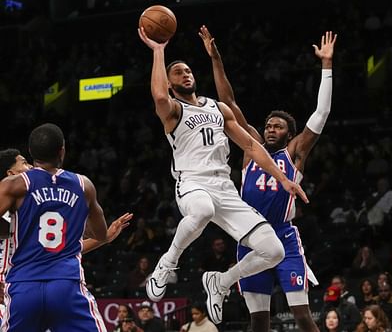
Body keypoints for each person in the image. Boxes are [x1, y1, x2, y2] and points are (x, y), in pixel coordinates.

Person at [137, 27, 308, 325]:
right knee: (202, 210)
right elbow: (158, 96)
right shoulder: (173, 111)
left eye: (188, 70)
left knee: (273, 250)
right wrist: (158, 50)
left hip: (224, 187)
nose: (185, 74)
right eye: (178, 72)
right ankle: (168, 262)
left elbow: (251, 145)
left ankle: (221, 282)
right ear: (170, 81)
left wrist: (283, 179)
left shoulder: (218, 109)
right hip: (192, 183)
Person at [199, 25, 336, 332]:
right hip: (250, 237)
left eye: (277, 126)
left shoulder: (296, 152)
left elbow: (322, 113)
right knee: (258, 319)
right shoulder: (251, 150)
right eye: (268, 125)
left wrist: (326, 65)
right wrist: (215, 59)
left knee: (302, 314)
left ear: (289, 132)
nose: (271, 128)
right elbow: (228, 104)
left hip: (284, 237)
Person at [0, 123, 132, 331]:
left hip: (23, 285)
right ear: (62, 150)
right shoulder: (83, 185)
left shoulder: (13, 186)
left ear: (32, 153)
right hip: (66, 284)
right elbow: (98, 232)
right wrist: (92, 230)